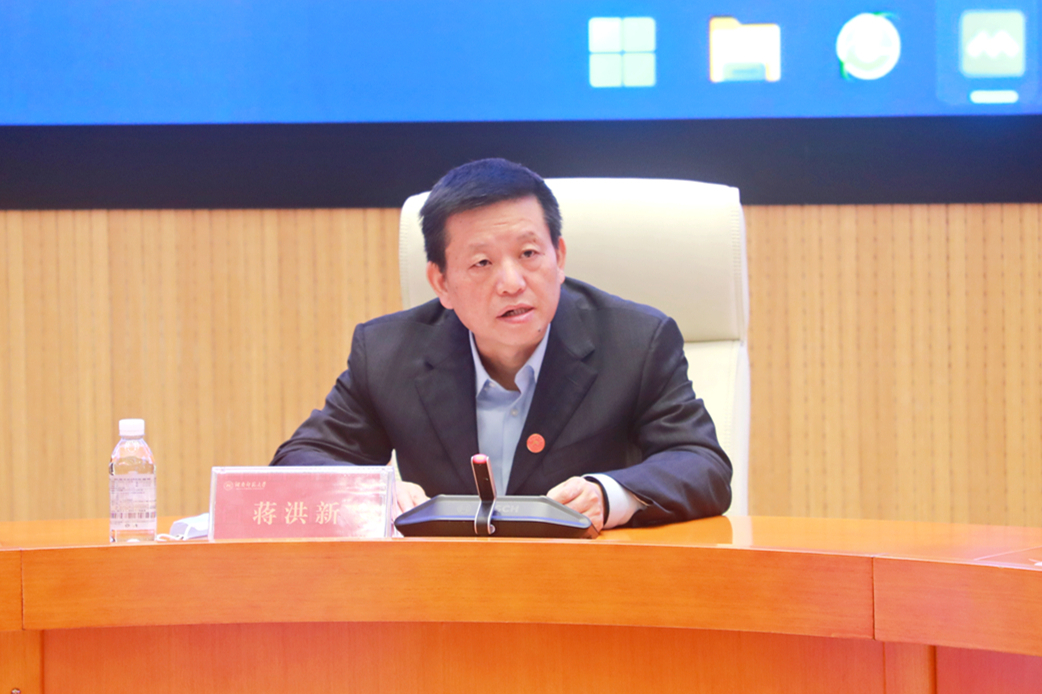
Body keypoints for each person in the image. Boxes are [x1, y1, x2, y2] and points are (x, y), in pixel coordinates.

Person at [271, 158, 731, 530]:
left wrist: (609, 496)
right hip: (444, 593)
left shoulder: (636, 342)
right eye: (482, 263)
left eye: (529, 254)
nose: (512, 283)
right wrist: (373, 492)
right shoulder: (388, 352)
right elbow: (298, 462)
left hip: (589, 588)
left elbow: (701, 464)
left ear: (559, 257)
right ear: (441, 282)